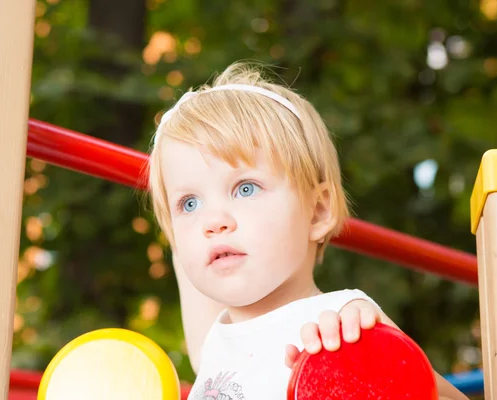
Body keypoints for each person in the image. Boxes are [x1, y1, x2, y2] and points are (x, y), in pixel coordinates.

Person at [146, 61, 467, 399]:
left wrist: (370, 372)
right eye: (190, 204)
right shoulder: (214, 341)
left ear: (318, 211)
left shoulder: (343, 323)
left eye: (245, 188)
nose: (213, 222)